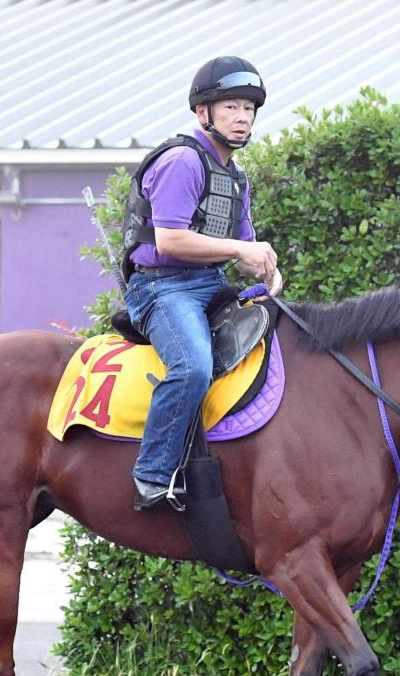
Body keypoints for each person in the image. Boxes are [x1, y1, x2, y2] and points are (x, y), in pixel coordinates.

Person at [120, 56, 283, 511]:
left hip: (209, 282)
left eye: (249, 109)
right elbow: (170, 240)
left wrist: (267, 270)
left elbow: (245, 246)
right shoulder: (181, 161)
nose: (242, 117)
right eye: (231, 107)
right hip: (162, 288)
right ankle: (153, 475)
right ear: (202, 112)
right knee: (193, 367)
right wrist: (240, 252)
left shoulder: (235, 175)